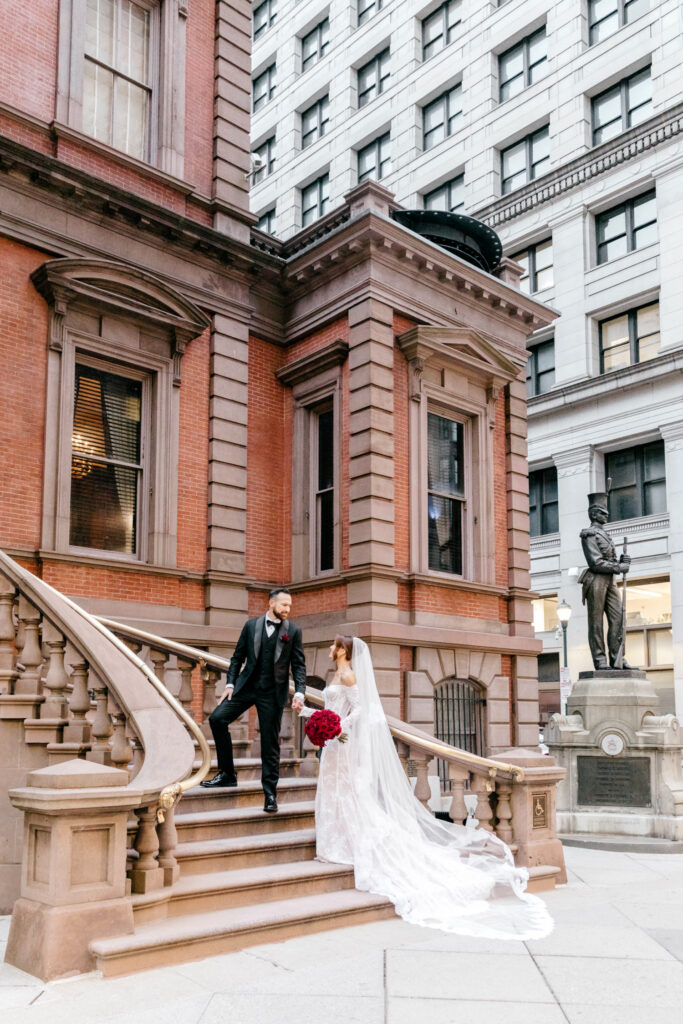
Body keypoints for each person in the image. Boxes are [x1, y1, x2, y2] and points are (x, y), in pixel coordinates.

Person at [298, 635, 553, 940]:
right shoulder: (335, 674)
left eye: (334, 645)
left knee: (347, 792)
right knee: (334, 792)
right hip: (333, 745)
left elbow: (359, 709)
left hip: (343, 743)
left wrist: (339, 727)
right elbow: (331, 709)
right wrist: (308, 714)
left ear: (343, 651)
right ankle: (334, 843)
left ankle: (348, 844)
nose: (329, 648)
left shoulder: (349, 675)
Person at [202, 587, 306, 812]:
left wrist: (299, 691)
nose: (288, 609)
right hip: (247, 686)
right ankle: (227, 774)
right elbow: (237, 657)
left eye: (289, 605)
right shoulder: (251, 626)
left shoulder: (293, 631)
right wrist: (230, 684)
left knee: (270, 743)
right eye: (284, 604)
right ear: (271, 603)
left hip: (273, 693)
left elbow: (299, 665)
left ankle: (270, 795)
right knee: (217, 719)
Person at [579, 491, 632, 670]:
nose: (606, 516)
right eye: (603, 513)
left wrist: (622, 562)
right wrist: (619, 567)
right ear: (594, 514)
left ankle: (618, 658)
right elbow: (595, 562)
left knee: (618, 618)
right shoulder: (588, 535)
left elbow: (610, 559)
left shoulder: (605, 535)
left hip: (610, 580)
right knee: (596, 623)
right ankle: (600, 660)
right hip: (596, 580)